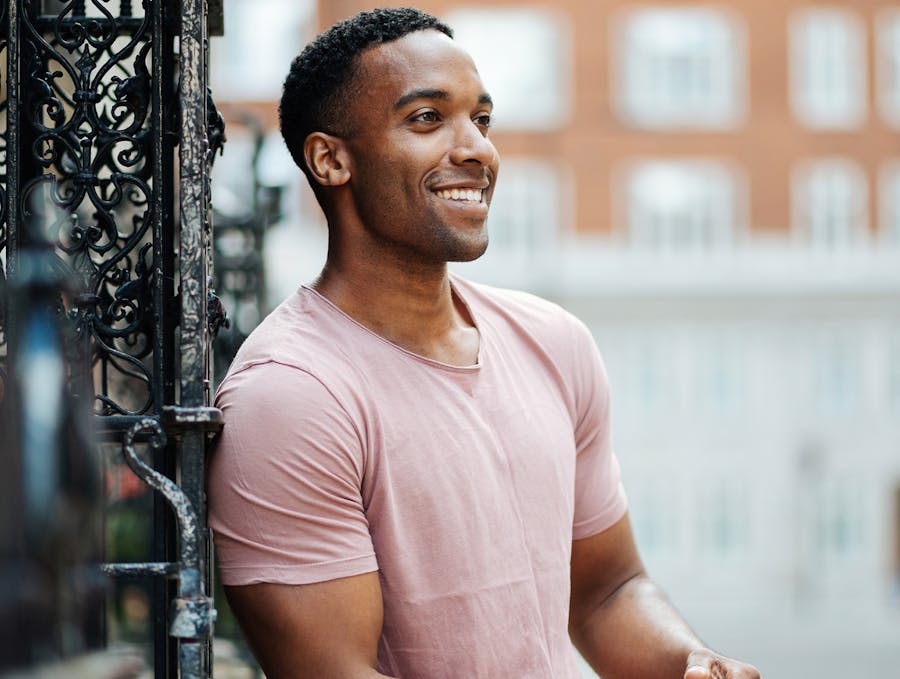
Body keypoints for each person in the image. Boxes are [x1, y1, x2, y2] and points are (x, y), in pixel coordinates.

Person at [207, 7, 761, 679]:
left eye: (482, 119)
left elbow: (605, 592)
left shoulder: (555, 343)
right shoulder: (289, 395)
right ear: (332, 159)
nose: (475, 148)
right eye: (427, 119)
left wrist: (688, 660)